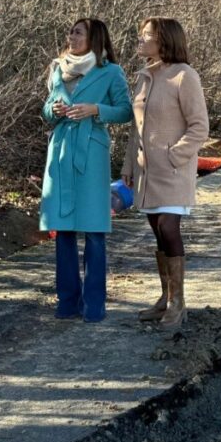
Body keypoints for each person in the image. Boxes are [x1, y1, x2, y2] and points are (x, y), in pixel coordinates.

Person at [40, 19, 133, 322]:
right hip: (60, 151)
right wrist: (52, 110)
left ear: (94, 38)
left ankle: (94, 304)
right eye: (71, 31)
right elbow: (47, 108)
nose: (71, 36)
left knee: (94, 230)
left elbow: (125, 111)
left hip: (91, 153)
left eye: (78, 32)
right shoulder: (57, 68)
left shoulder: (111, 71)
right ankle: (67, 302)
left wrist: (95, 110)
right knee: (62, 228)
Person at [121, 18, 209, 329]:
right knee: (157, 230)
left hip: (172, 170)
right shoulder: (145, 76)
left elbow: (199, 126)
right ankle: (165, 297)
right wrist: (128, 166)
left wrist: (174, 155)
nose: (140, 39)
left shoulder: (185, 75)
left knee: (168, 226)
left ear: (163, 40)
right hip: (146, 171)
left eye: (146, 35)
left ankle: (177, 303)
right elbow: (136, 129)